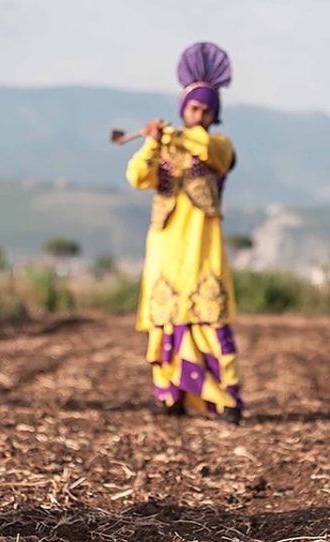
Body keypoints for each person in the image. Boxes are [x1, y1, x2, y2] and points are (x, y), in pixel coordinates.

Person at [125, 42, 242, 423]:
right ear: (183, 107)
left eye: (207, 110)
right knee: (165, 323)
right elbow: (137, 177)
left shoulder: (219, 144)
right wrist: (151, 143)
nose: (201, 114)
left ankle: (225, 400)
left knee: (209, 321)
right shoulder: (163, 145)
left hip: (203, 249)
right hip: (165, 248)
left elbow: (213, 153)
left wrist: (176, 134)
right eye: (194, 108)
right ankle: (168, 395)